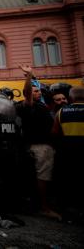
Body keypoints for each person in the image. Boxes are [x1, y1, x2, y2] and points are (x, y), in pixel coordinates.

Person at [18, 65, 61, 220]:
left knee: (44, 177)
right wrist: (28, 76)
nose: (38, 92)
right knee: (42, 177)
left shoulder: (42, 105)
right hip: (39, 148)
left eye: (39, 90)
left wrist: (33, 76)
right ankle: (44, 207)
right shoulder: (28, 106)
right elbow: (28, 93)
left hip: (45, 147)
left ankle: (41, 204)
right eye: (35, 91)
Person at [51, 86, 84, 222]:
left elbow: (54, 133)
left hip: (68, 153)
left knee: (70, 183)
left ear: (71, 98)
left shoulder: (62, 112)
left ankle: (72, 213)